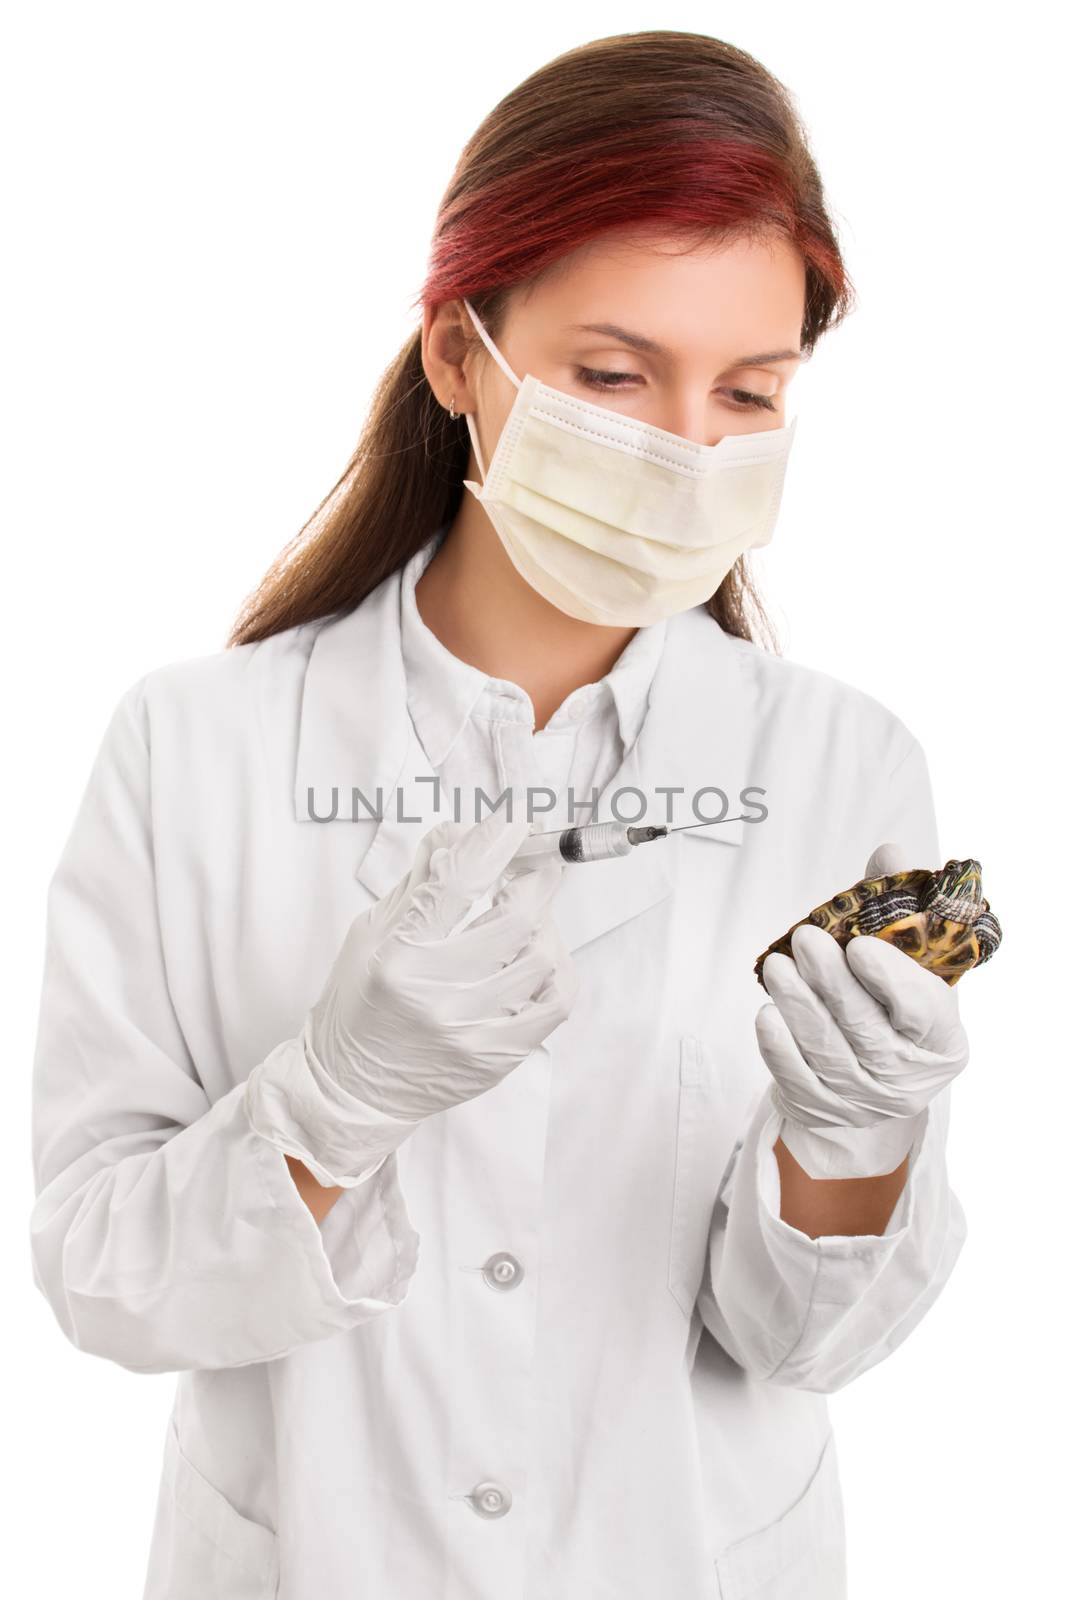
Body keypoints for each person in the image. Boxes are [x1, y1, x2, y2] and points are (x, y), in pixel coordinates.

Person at [28, 30, 970, 1600]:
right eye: (610, 375)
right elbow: (104, 1285)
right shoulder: (195, 745)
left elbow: (807, 1345)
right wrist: (329, 1107)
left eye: (748, 390)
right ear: (460, 358)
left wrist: (855, 1146)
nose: (683, 446)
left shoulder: (842, 768)